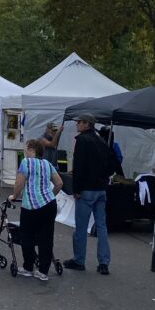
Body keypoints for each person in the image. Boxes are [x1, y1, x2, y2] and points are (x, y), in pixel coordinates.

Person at [63, 113, 112, 275]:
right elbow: (111, 164)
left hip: (87, 189)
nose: (77, 125)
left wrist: (76, 189)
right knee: (101, 227)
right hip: (101, 188)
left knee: (81, 227)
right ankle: (103, 262)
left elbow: (79, 166)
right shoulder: (102, 141)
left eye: (79, 122)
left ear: (87, 124)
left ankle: (79, 260)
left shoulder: (82, 140)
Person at [10, 138, 63, 281]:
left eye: (25, 148)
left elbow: (19, 183)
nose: (24, 150)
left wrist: (14, 196)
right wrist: (50, 196)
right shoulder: (47, 164)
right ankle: (43, 271)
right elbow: (59, 183)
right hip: (49, 204)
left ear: (30, 149)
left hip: (31, 206)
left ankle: (28, 267)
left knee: (26, 235)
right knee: (46, 237)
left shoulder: (26, 162)